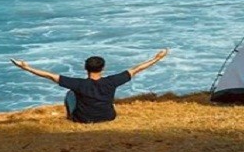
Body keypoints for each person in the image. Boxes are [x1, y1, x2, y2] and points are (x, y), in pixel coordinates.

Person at [10, 49, 168, 123]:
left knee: (71, 93)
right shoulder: (111, 81)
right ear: (103, 68)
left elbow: (50, 76)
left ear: (85, 68)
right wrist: (157, 58)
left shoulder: (78, 84)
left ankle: (70, 116)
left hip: (83, 119)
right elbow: (136, 69)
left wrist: (25, 67)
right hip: (108, 117)